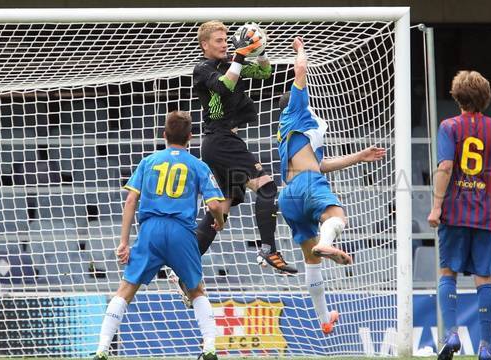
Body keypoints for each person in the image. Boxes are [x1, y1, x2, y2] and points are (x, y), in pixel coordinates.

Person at [93, 111, 226, 360]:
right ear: (190, 137)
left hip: (150, 230)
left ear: (164, 135)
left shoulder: (149, 161)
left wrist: (123, 242)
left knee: (125, 290)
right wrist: (219, 222)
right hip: (181, 232)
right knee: (197, 290)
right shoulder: (198, 165)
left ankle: (102, 350)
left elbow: (131, 199)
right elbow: (216, 206)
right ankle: (209, 347)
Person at [277, 37, 386, 334]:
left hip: (288, 195)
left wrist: (359, 157)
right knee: (337, 217)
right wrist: (300, 49)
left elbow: (320, 164)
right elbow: (301, 71)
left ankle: (324, 319)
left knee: (311, 260)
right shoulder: (297, 109)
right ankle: (327, 241)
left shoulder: (289, 133)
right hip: (309, 185)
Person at [191, 20, 296, 275]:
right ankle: (268, 249)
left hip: (222, 142)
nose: (225, 44)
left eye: (226, 39)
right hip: (221, 140)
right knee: (267, 187)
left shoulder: (231, 62)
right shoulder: (202, 69)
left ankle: (185, 265)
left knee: (222, 208)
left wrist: (259, 49)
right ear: (205, 44)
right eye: (219, 40)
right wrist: (239, 55)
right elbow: (224, 85)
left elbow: (264, 72)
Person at [427, 70, 491, 360]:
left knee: (447, 273)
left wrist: (436, 206)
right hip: (486, 212)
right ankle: (486, 347)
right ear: (486, 97)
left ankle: (452, 333)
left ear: (456, 97)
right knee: (484, 278)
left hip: (454, 211)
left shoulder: (449, 126)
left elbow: (445, 167)